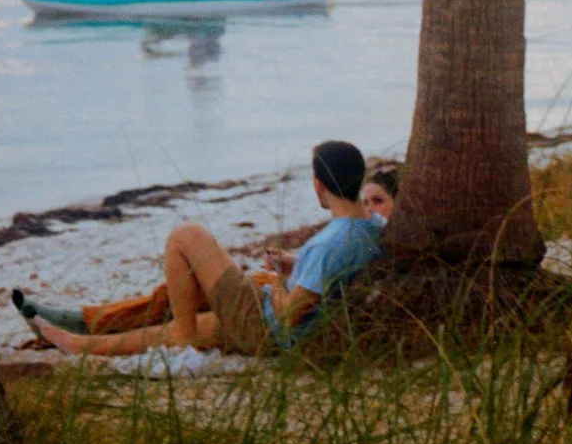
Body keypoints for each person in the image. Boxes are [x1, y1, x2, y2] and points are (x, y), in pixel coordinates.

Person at [23, 141, 384, 358]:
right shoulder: (374, 226)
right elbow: (326, 276)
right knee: (188, 309)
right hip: (274, 334)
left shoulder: (330, 242)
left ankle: (177, 334)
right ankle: (79, 339)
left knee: (186, 236)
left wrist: (276, 282)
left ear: (318, 184)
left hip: (268, 325)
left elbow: (291, 313)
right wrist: (294, 262)